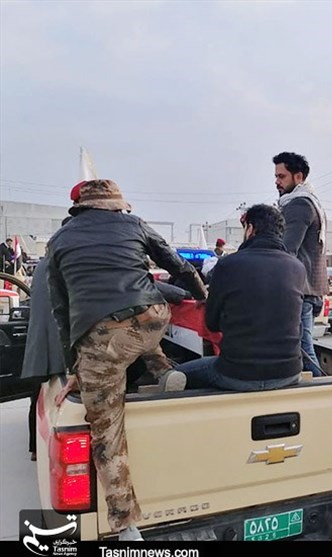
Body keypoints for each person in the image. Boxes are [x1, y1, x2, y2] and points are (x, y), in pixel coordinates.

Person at [47, 179, 208, 542]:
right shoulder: (134, 224)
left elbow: (61, 309)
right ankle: (163, 371)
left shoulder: (59, 240)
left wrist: (77, 366)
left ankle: (125, 525)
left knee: (107, 432)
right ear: (116, 204)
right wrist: (202, 296)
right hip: (152, 318)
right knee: (135, 334)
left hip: (102, 336)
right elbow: (178, 265)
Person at [177, 204, 307, 389]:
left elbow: (212, 324)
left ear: (251, 229)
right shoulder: (297, 268)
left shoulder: (227, 265)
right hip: (289, 372)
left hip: (236, 373)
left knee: (176, 374)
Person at [21, 218, 72, 462]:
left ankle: (34, 448)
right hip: (60, 345)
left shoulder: (44, 264)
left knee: (37, 398)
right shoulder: (66, 264)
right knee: (62, 403)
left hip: (39, 343)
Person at [273, 151, 328, 377]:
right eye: (276, 176)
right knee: (301, 348)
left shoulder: (298, 205)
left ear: (299, 177)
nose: (277, 182)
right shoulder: (307, 202)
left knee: (303, 351)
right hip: (307, 289)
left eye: (281, 176)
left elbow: (287, 250)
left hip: (301, 291)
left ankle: (325, 390)